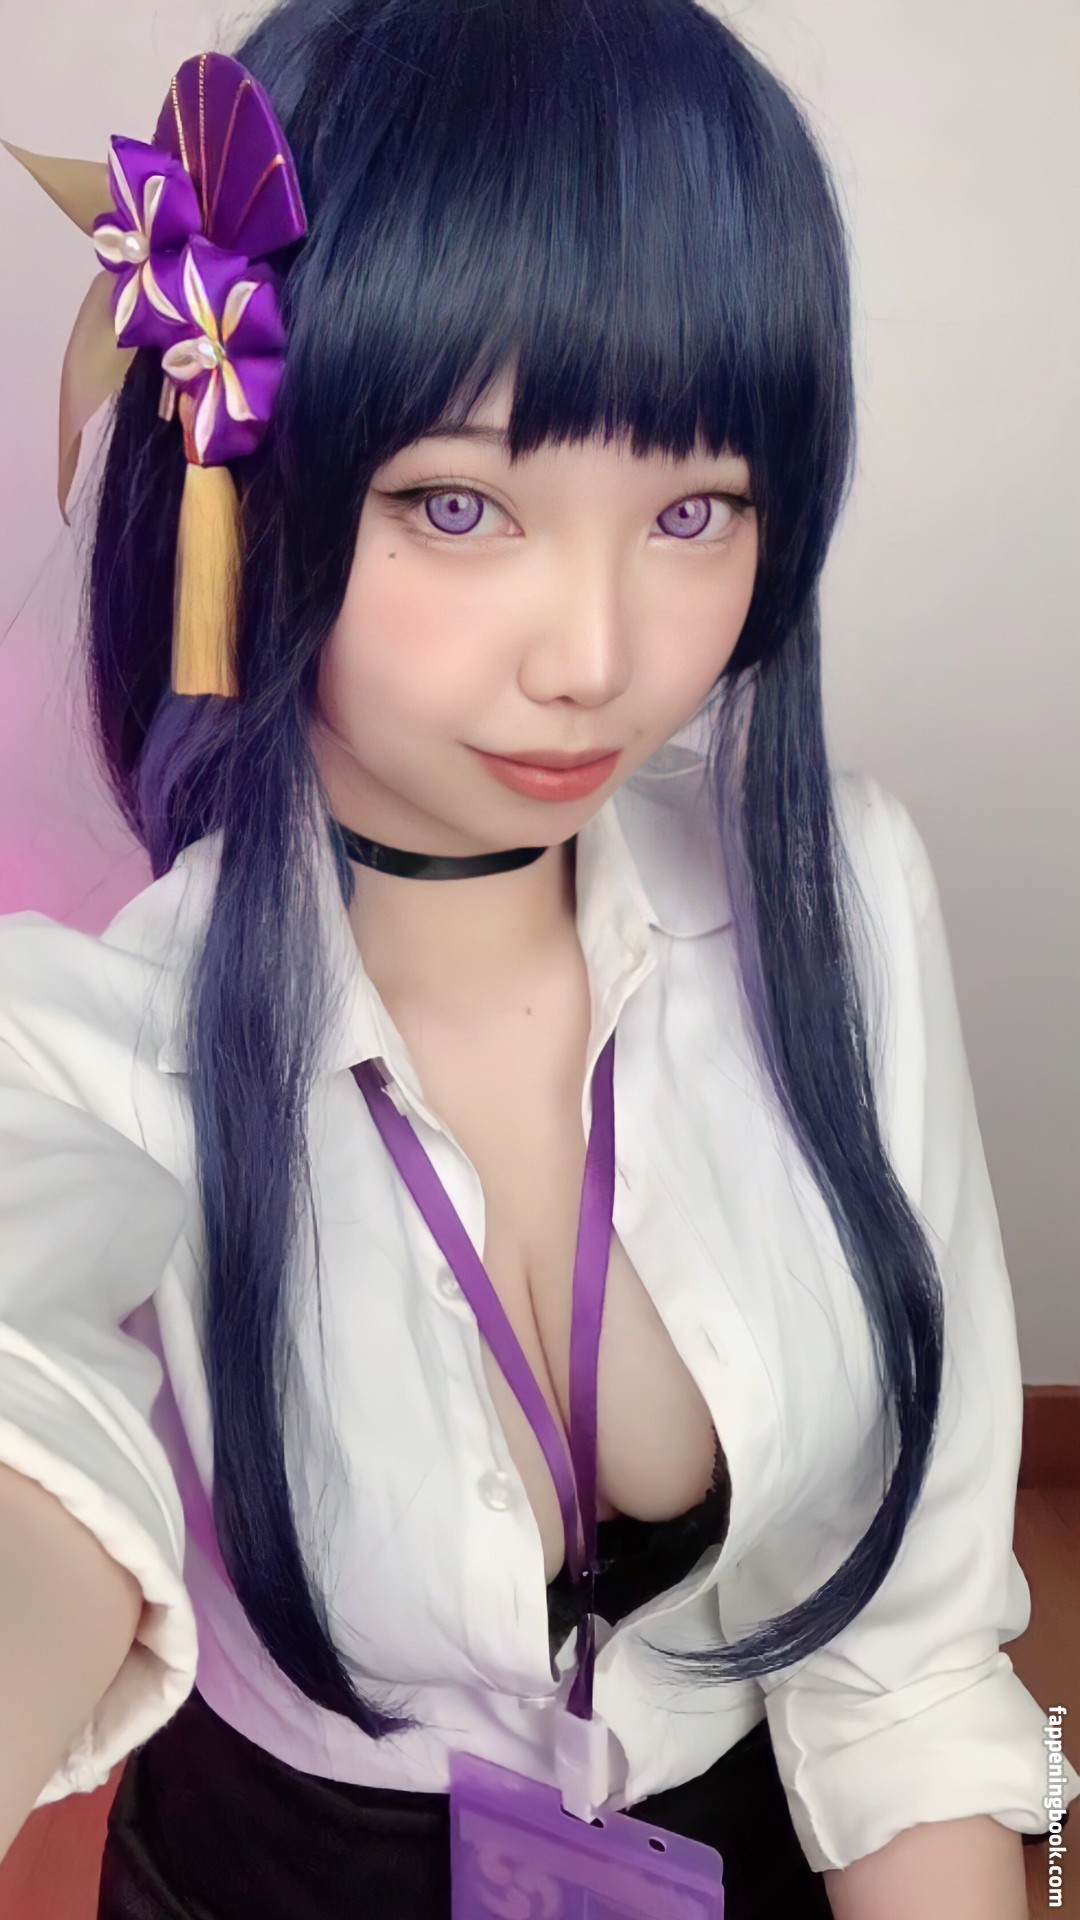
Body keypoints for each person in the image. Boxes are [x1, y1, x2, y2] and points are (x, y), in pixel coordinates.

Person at [1, 2, 1076, 1915]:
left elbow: (904, 1666)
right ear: (246, 472)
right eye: (458, 504)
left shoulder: (837, 898)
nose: (597, 656)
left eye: (693, 510)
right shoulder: (92, 1037)